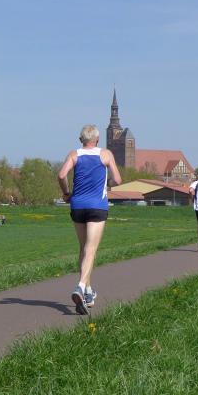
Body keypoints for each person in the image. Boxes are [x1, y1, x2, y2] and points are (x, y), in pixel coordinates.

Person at [57, 124, 121, 315]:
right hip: (97, 206)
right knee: (91, 249)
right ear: (98, 140)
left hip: (77, 206)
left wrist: (66, 193)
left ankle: (88, 292)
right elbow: (118, 180)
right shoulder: (105, 154)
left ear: (81, 140)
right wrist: (106, 184)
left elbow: (61, 175)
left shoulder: (74, 154)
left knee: (84, 249)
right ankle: (80, 286)